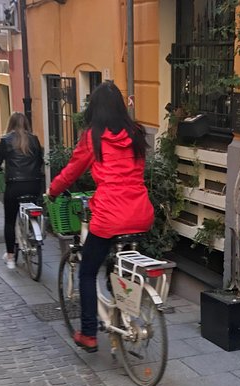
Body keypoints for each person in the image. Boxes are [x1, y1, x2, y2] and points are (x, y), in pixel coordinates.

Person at [48, 81, 154, 352]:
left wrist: (53, 191)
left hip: (110, 214)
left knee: (86, 272)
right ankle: (122, 305)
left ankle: (88, 333)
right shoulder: (137, 133)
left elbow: (72, 170)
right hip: (140, 212)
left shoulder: (92, 136)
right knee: (117, 261)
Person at [0, 112, 44, 269]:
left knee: (10, 220)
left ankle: (11, 256)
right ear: (26, 124)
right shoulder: (34, 140)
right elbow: (40, 162)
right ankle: (33, 233)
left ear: (10, 124)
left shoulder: (6, 140)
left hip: (14, 186)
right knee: (32, 207)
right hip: (33, 185)